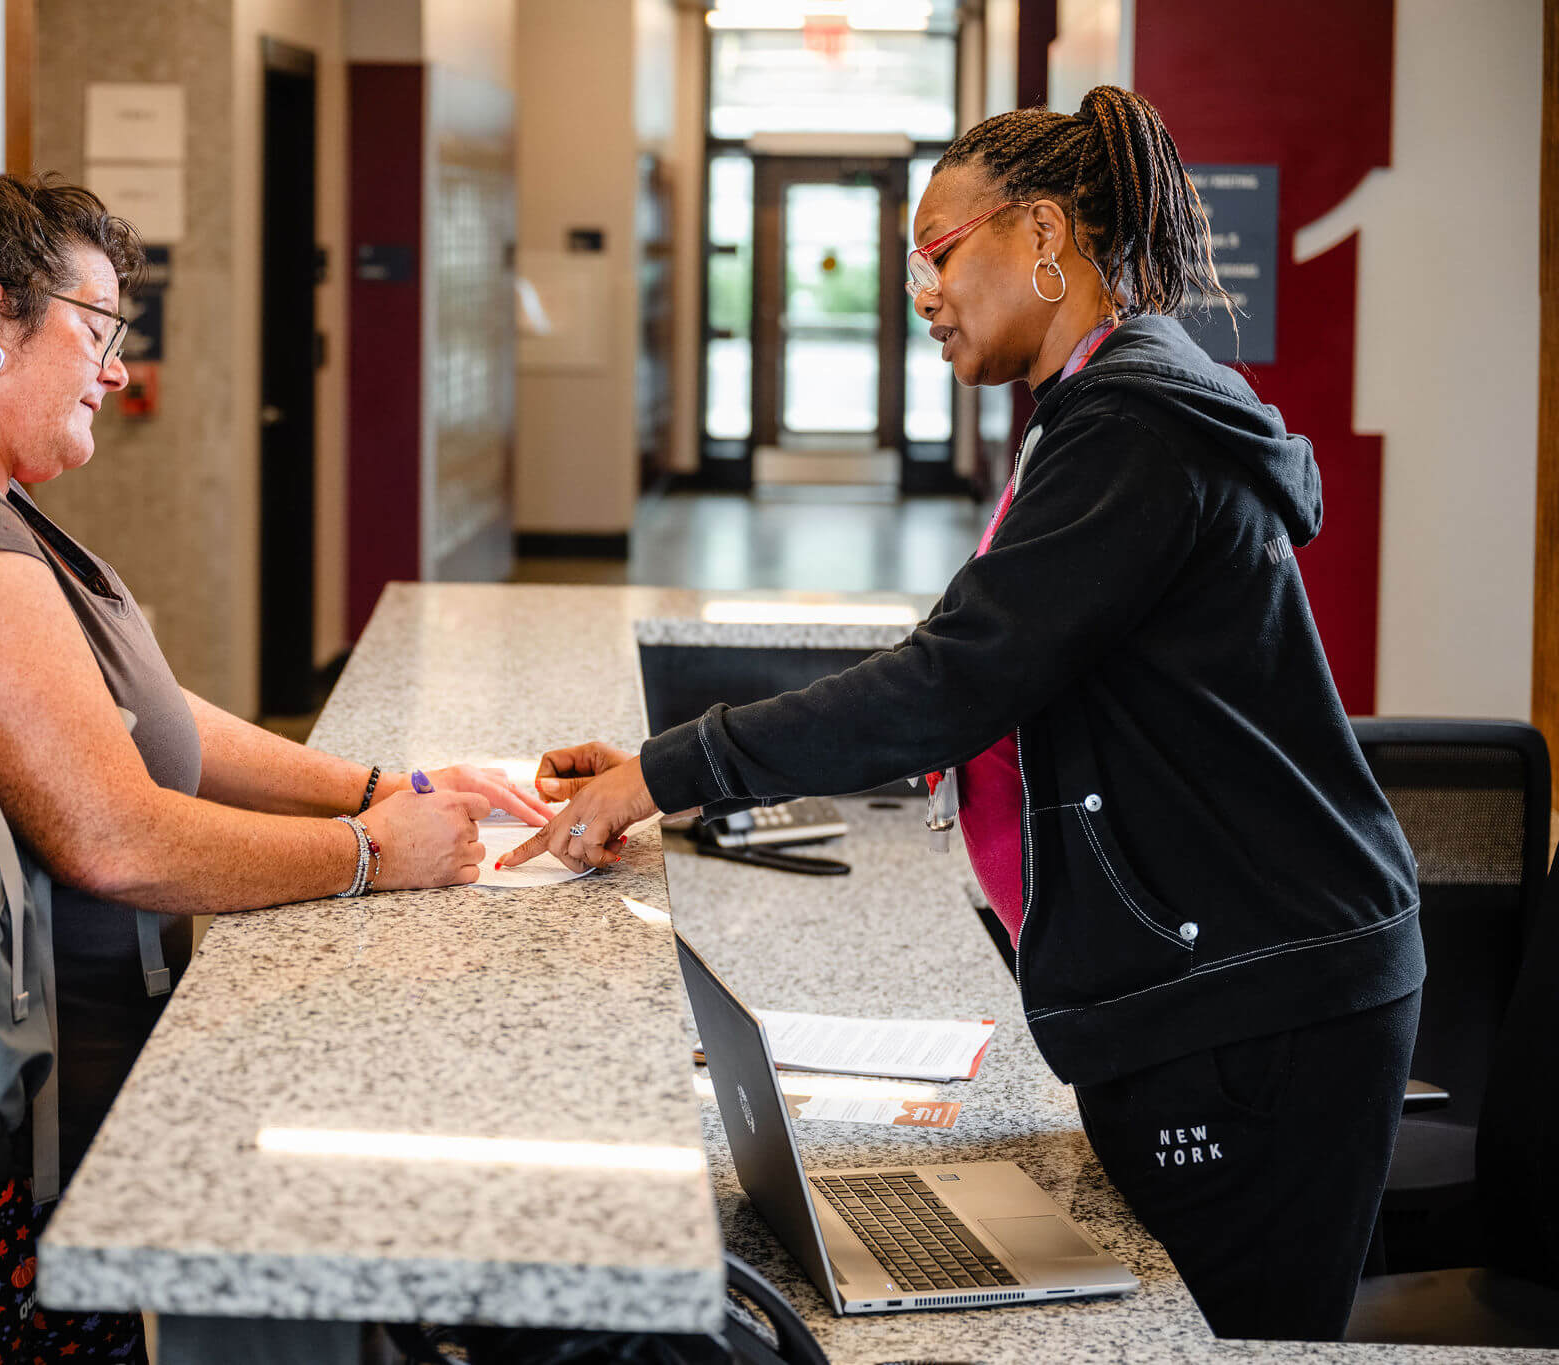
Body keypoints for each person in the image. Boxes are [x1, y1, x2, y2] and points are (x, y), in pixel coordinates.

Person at [505, 86, 1424, 1342]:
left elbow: (951, 681)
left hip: (1259, 998)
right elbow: (977, 665)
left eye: (934, 255)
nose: (919, 294)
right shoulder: (1100, 406)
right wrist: (678, 763)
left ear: (1040, 236)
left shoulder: (1131, 428)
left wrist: (673, 770)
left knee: (1221, 1340)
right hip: (1231, 972)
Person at [0, 124, 549, 1363]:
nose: (116, 371)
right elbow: (114, 835)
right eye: (98, 329)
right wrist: (367, 854)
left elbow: (145, 716)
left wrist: (383, 786)